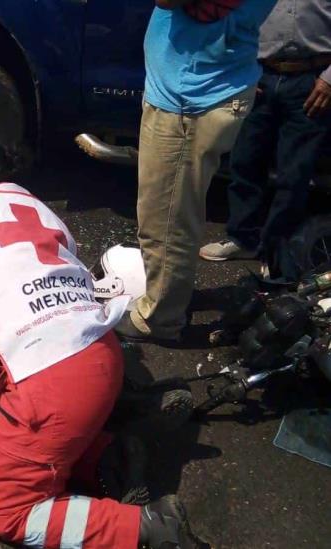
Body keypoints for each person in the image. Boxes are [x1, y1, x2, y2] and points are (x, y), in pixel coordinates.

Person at [0, 143, 205, 548]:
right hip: (101, 350)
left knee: (8, 512)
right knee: (35, 425)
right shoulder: (38, 206)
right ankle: (107, 453)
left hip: (47, 381)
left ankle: (144, 527)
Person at [114, 0, 276, 343]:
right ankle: (170, 294)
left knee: (166, 220)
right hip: (190, 89)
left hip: (190, 98)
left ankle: (160, 318)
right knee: (174, 212)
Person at [200, 0, 331, 280]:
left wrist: (330, 80)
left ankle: (277, 253)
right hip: (258, 76)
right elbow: (231, 20)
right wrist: (240, 69)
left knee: (293, 174)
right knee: (245, 161)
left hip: (312, 81)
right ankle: (243, 238)